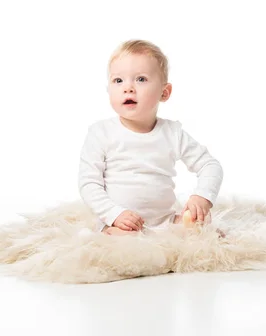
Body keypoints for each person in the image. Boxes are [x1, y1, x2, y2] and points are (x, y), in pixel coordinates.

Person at [78, 40, 223, 236]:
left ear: (164, 92)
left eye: (141, 79)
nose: (127, 88)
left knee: (202, 228)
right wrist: (114, 214)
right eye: (118, 81)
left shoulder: (172, 133)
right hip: (119, 222)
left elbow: (210, 165)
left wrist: (202, 197)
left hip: (166, 220)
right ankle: (111, 234)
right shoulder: (101, 133)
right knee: (119, 239)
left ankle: (182, 233)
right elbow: (89, 184)